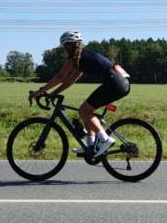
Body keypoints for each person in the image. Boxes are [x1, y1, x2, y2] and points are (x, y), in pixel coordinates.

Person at [28, 30, 130, 158]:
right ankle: (90, 145)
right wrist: (53, 93)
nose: (63, 50)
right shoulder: (81, 57)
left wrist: (40, 91)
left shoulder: (76, 58)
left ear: (69, 45)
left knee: (84, 111)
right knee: (86, 111)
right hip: (117, 83)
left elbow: (60, 77)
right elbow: (71, 80)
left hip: (115, 83)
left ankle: (105, 139)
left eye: (64, 47)